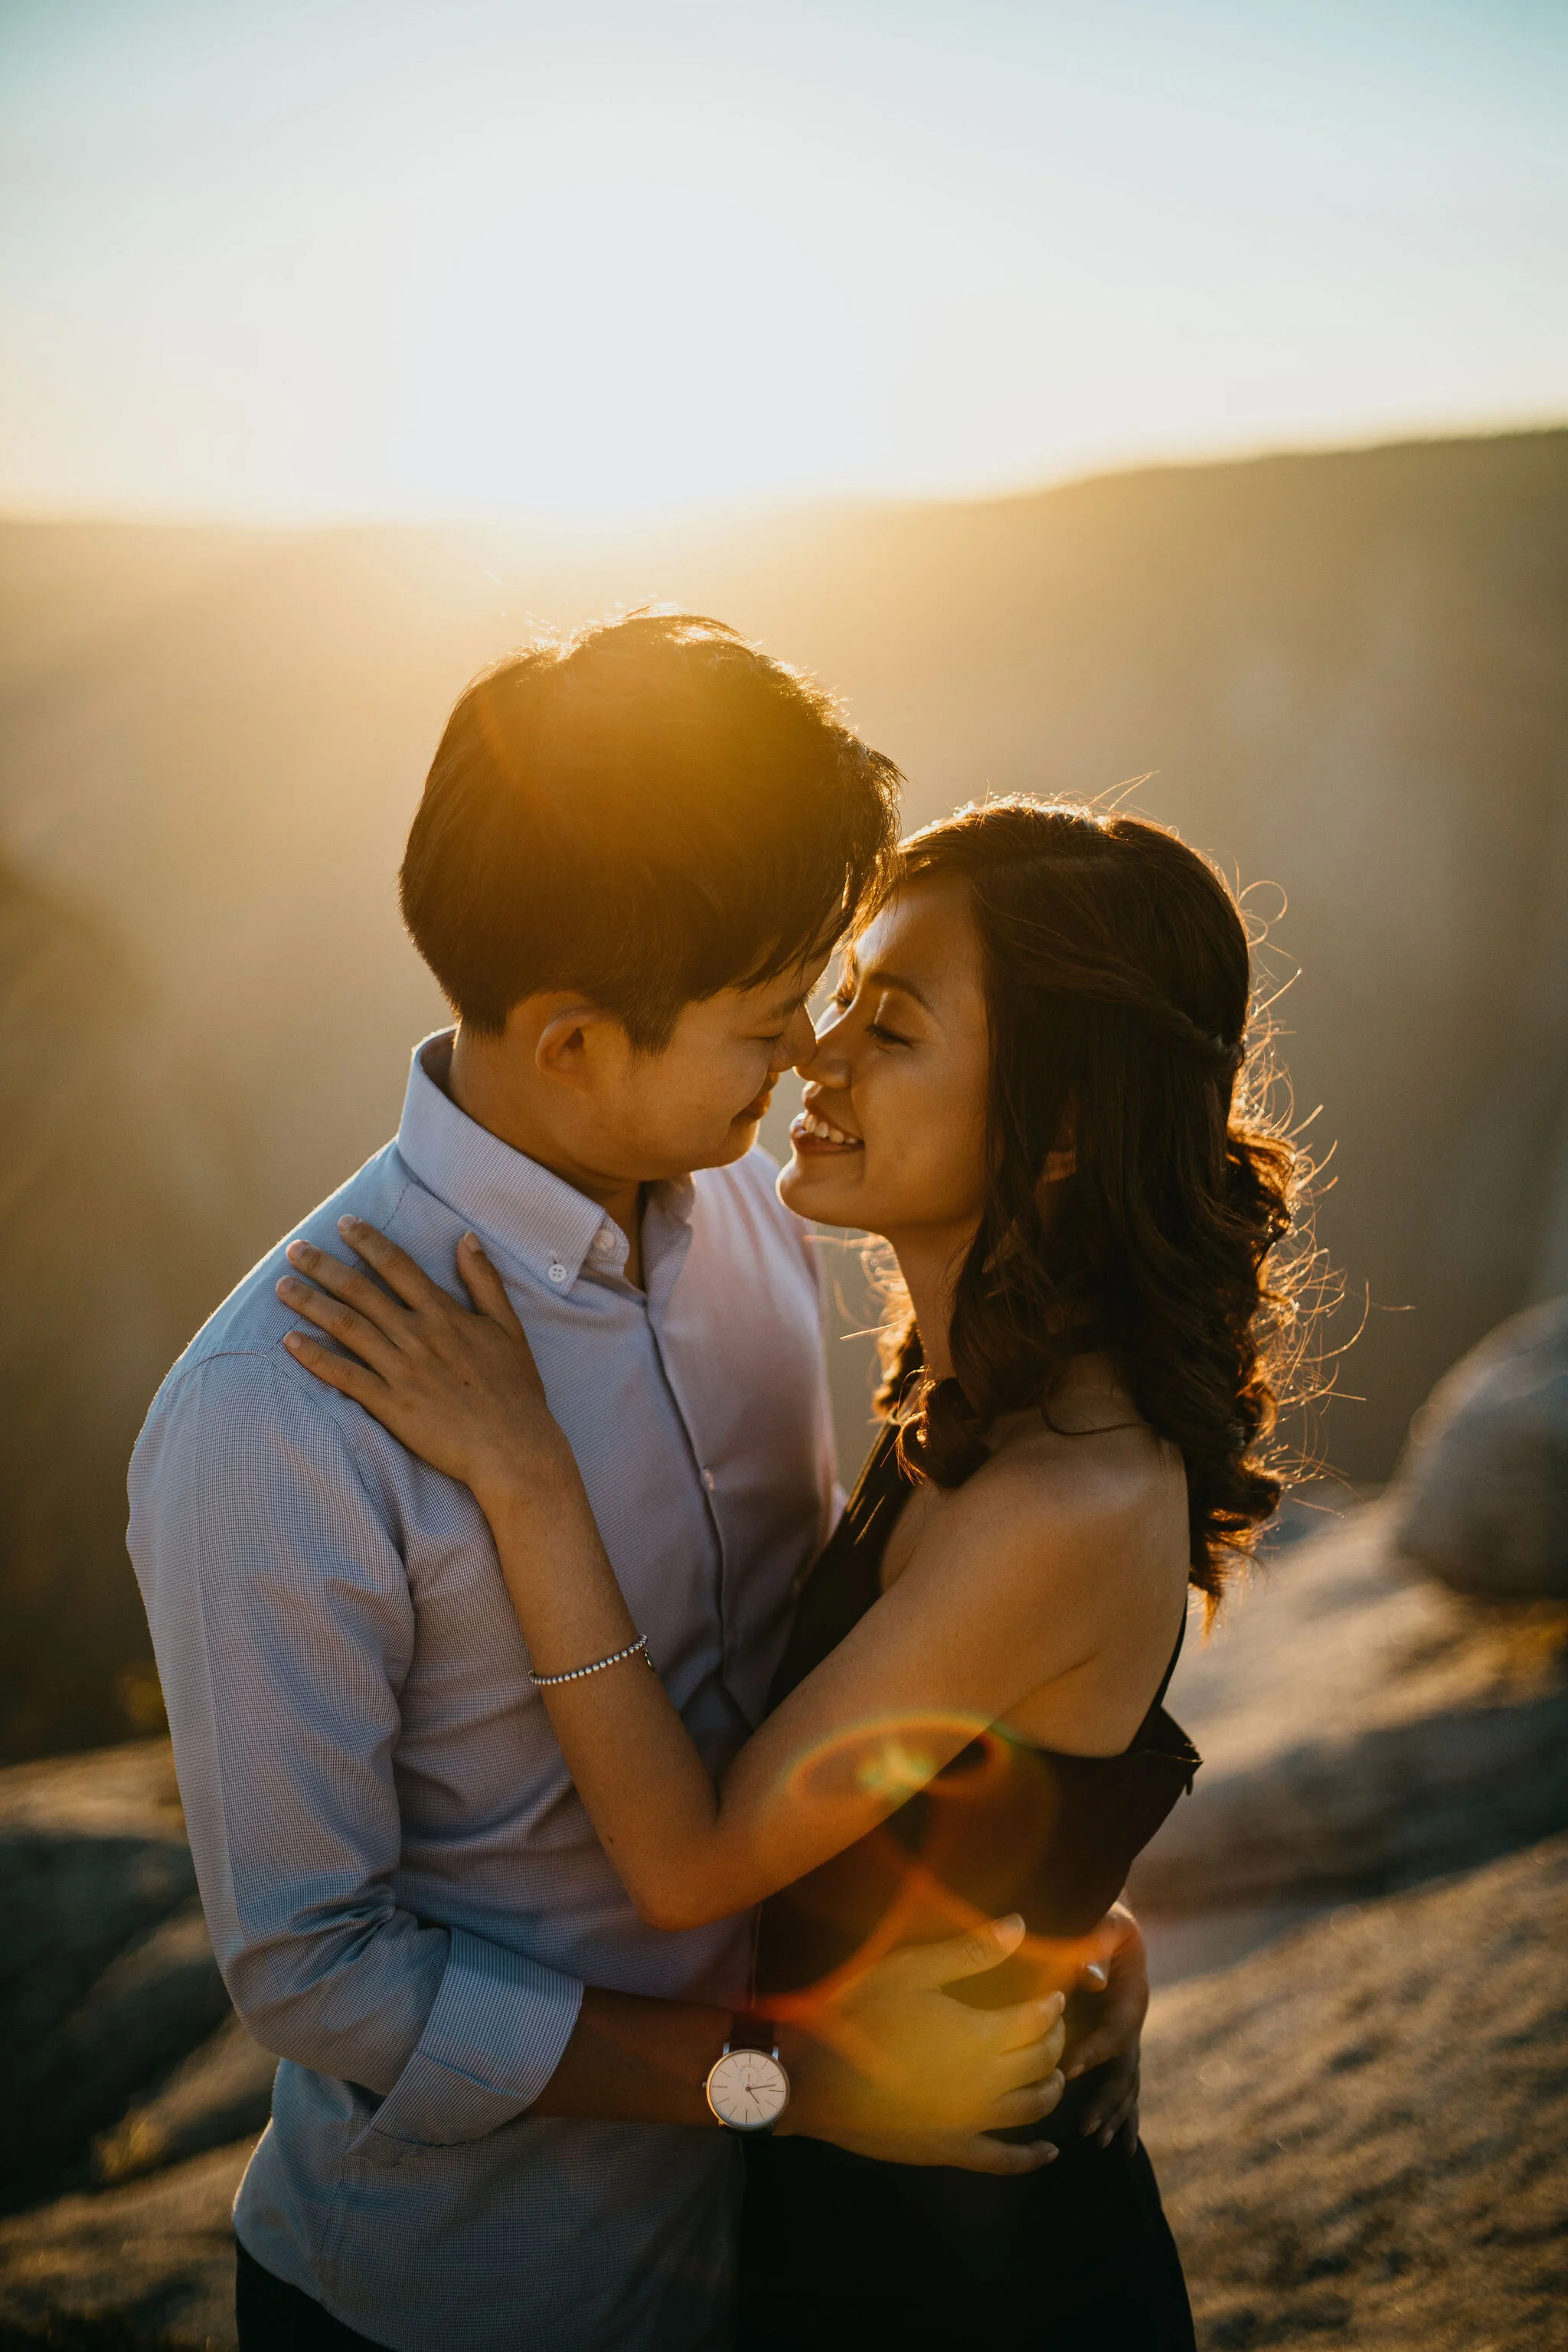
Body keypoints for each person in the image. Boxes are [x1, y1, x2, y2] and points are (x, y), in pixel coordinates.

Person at [129, 617, 1148, 2352]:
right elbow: (309, 1969)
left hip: (786, 2252)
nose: (811, 1065)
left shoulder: (758, 1213)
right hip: (472, 2297)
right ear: (573, 1041)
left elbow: (816, 1691)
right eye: (768, 1024)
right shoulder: (280, 1414)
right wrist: (776, 2084)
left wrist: (1046, 1926)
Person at [280, 794, 1305, 2350]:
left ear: (1068, 1126)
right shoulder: (987, 1399)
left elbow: (694, 1866)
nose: (811, 1061)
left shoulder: (1059, 1492)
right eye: (835, 1004)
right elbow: (990, 1771)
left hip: (957, 2266)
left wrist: (525, 1475)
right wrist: (1067, 1916)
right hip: (869, 2184)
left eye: (887, 1029)